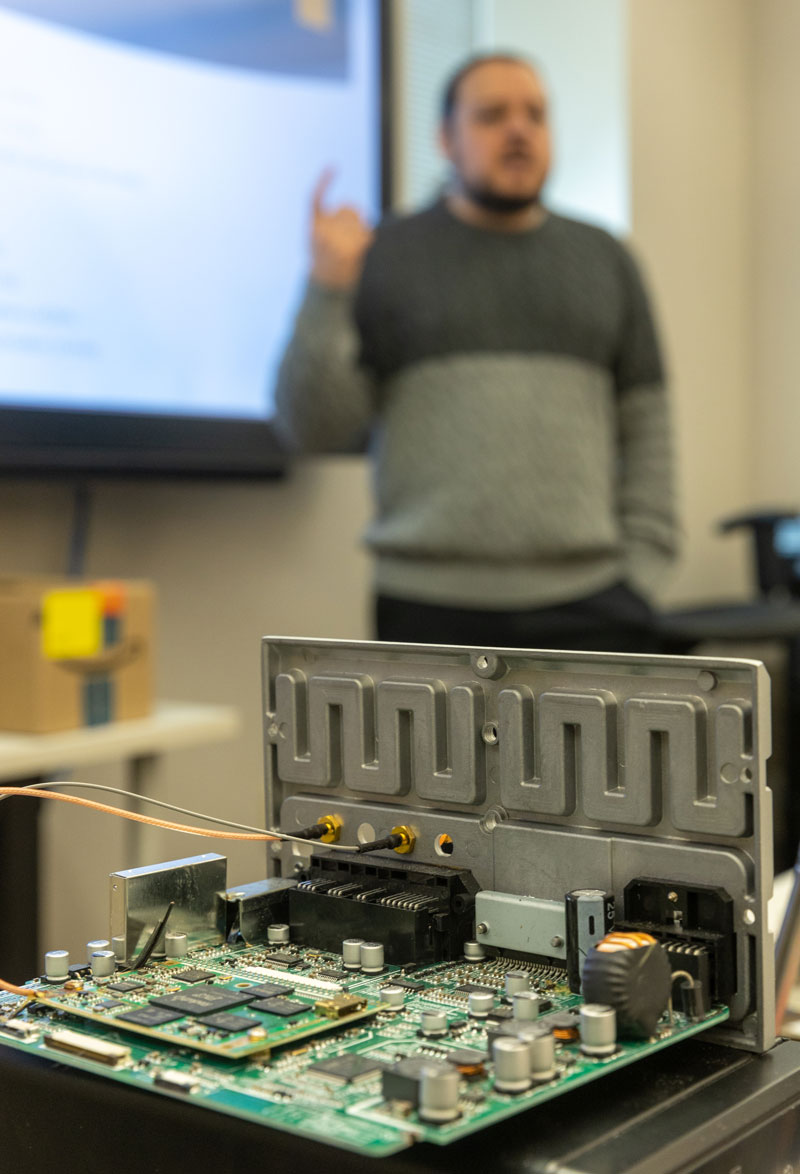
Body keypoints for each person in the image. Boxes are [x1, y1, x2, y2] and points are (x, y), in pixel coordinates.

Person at [275, 53, 679, 651]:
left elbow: (647, 424)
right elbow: (312, 426)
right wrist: (328, 288)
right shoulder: (385, 255)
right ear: (445, 138)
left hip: (594, 603)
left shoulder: (606, 259)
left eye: (535, 115)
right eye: (492, 114)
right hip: (426, 609)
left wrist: (642, 573)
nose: (519, 130)